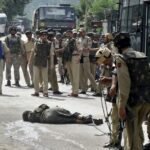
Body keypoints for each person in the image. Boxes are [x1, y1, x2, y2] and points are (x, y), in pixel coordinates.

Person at [113, 32, 150, 150]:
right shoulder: (142, 55)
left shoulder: (121, 58)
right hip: (146, 99)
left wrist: (121, 106)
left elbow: (124, 84)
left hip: (132, 101)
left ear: (118, 46)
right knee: (137, 129)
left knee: (130, 135)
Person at [95, 47, 120, 148]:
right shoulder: (110, 64)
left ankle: (117, 141)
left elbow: (121, 78)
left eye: (105, 62)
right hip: (118, 94)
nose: (104, 64)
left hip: (125, 94)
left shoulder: (118, 62)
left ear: (108, 57)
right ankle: (115, 140)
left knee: (118, 119)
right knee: (115, 118)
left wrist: (108, 80)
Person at [22, 104, 103, 125]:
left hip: (47, 118)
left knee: (70, 120)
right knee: (70, 114)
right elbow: (45, 105)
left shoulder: (30, 118)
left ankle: (84, 121)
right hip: (51, 110)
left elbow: (32, 118)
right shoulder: (36, 109)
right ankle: (83, 117)